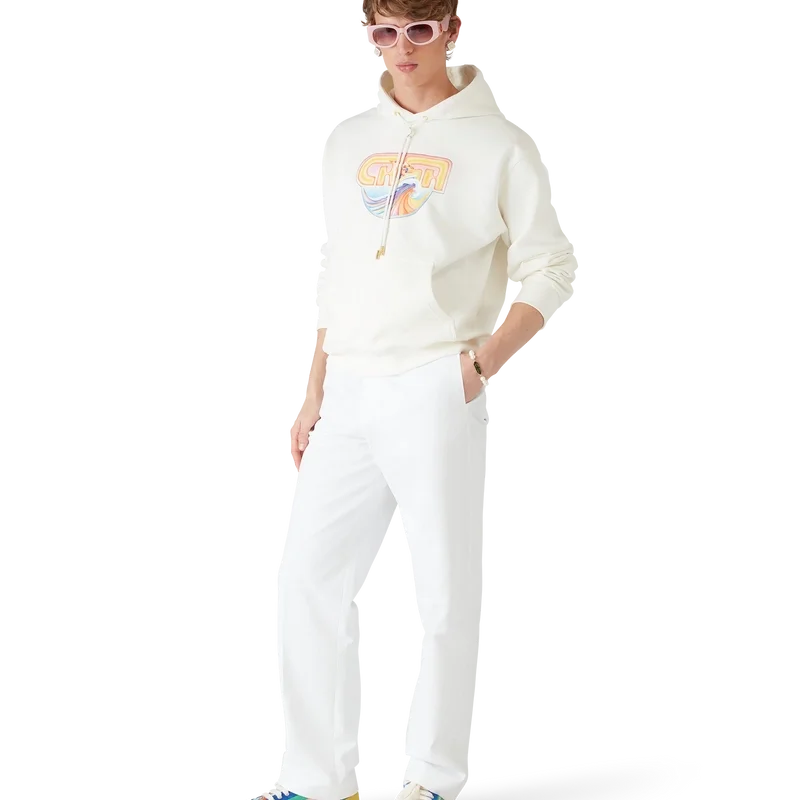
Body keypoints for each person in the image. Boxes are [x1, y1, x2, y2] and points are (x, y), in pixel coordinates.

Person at [273, 2, 576, 799]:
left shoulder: (503, 142)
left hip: (437, 381)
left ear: (452, 29)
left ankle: (432, 781)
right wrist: (313, 393)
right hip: (347, 387)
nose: (401, 48)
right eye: (384, 31)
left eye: (419, 30)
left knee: (442, 592)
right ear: (366, 32)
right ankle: (317, 777)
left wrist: (478, 366)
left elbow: (551, 267)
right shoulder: (345, 137)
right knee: (308, 579)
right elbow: (334, 273)